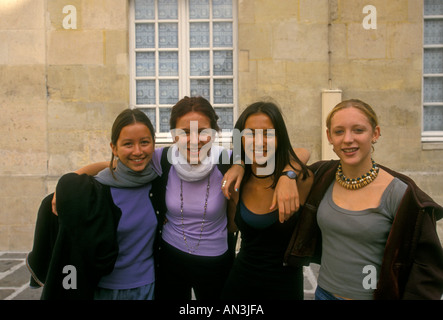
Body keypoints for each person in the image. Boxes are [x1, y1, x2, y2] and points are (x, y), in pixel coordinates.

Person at [284, 99, 443, 300]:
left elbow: (427, 268)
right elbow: (291, 157)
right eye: (339, 131)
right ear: (329, 136)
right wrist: (287, 176)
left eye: (358, 130)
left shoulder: (400, 194)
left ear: (375, 133)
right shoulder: (322, 177)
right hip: (323, 295)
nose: (348, 139)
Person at [27, 109, 164, 299]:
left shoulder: (160, 182)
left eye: (144, 142)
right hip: (102, 291)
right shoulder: (94, 191)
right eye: (128, 144)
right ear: (114, 148)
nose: (138, 151)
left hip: (149, 289)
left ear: (153, 144)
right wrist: (68, 183)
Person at [221, 101, 314, 300]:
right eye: (250, 133)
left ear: (279, 137)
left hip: (285, 288)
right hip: (240, 286)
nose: (259, 141)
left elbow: (303, 151)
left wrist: (288, 175)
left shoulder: (301, 179)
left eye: (268, 134)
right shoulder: (237, 182)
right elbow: (229, 229)